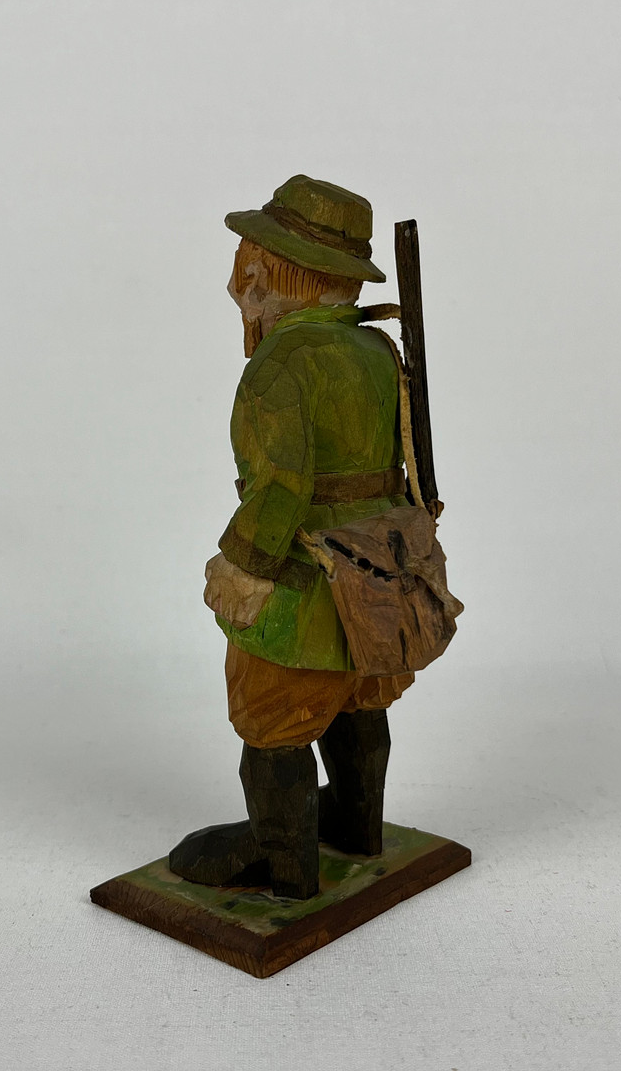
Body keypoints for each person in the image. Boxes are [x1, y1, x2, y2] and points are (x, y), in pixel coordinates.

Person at [168, 175, 417, 899]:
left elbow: (280, 488)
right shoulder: (377, 351)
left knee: (271, 720)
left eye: (249, 268)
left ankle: (285, 868)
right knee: (358, 701)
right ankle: (359, 829)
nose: (237, 287)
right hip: (382, 573)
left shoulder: (280, 364)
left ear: (270, 275)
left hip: (305, 581)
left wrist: (242, 568)